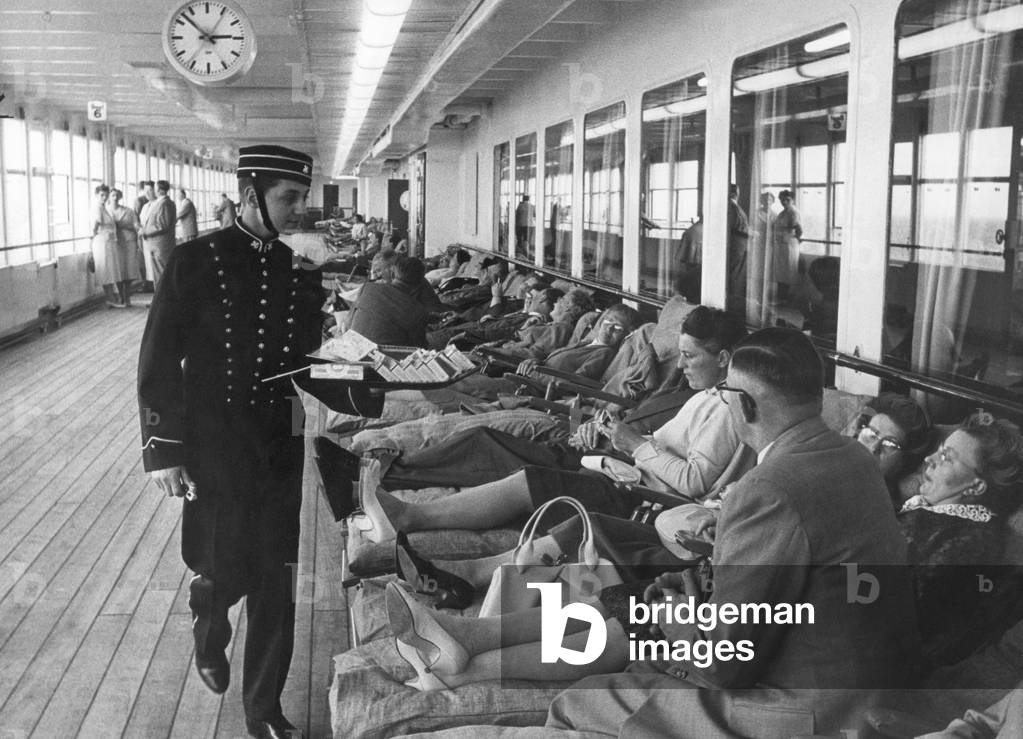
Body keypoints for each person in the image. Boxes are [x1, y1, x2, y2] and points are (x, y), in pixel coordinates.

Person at [391, 328, 919, 739]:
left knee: (580, 700)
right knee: (635, 599)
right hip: (836, 676)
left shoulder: (772, 488)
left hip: (800, 709)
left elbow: (725, 667)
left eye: (725, 392)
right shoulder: (852, 460)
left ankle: (462, 664)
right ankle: (466, 642)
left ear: (744, 404)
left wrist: (677, 618)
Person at [137, 144, 381, 739]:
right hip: (211, 438)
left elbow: (303, 363)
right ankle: (209, 618)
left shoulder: (299, 269)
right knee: (222, 563)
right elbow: (159, 356)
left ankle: (263, 710)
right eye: (289, 198)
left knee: (278, 573)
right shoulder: (194, 262)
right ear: (250, 197)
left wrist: (375, 378)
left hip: (277, 437)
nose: (302, 208)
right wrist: (162, 450)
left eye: (302, 196)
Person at [359, 307, 751, 544]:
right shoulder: (706, 394)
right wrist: (617, 434)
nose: (680, 366)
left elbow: (696, 481)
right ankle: (391, 474)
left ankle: (405, 512)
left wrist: (633, 444)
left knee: (526, 476)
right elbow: (668, 443)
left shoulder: (726, 407)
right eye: (679, 355)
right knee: (487, 440)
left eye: (689, 356)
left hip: (637, 489)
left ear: (723, 358)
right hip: (618, 459)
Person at [897, 411, 1023, 667]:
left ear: (976, 487)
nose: (929, 458)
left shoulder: (974, 542)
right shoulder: (927, 508)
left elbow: (910, 616)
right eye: (939, 450)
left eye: (946, 458)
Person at [349, 256, 434, 347]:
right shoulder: (418, 312)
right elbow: (420, 349)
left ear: (392, 275)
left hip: (353, 351)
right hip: (388, 358)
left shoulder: (367, 288)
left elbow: (349, 322)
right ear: (420, 284)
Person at [139, 180, 177, 289]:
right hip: (156, 246)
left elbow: (162, 225)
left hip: (161, 246)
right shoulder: (160, 203)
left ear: (159, 190)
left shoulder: (165, 203)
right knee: (158, 275)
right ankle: (159, 301)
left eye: (153, 188)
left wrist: (144, 231)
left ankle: (164, 302)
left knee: (162, 274)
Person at [90, 184, 123, 308]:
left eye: (106, 195)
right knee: (105, 271)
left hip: (108, 242)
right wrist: (91, 242)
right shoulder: (98, 208)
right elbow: (95, 226)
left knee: (109, 271)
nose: (104, 197)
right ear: (97, 195)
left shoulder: (104, 208)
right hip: (101, 243)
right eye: (101, 195)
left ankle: (112, 297)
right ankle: (110, 298)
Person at [108, 188, 141, 307]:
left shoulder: (128, 211)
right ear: (109, 197)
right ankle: (121, 296)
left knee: (129, 270)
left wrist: (140, 231)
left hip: (128, 242)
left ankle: (127, 296)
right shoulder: (106, 211)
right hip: (114, 243)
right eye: (112, 195)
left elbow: (136, 225)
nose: (115, 198)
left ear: (120, 197)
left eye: (117, 195)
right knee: (118, 270)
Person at [774, 189, 803, 301]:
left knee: (788, 271)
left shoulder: (793, 212)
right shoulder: (782, 213)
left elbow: (799, 230)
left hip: (789, 245)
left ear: (792, 200)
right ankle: (781, 296)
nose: (784, 202)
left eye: (787, 200)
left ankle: (785, 297)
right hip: (781, 244)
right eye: (782, 200)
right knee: (781, 271)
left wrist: (794, 238)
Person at [726, 184, 749, 315]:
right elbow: (732, 228)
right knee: (734, 275)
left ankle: (734, 303)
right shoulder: (731, 207)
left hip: (739, 245)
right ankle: (732, 305)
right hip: (736, 244)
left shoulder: (734, 207)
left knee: (737, 275)